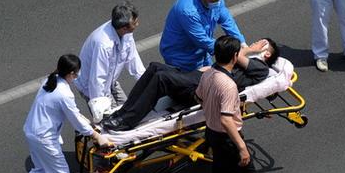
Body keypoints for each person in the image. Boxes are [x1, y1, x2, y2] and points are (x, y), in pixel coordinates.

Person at [6, 54, 111, 173]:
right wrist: (96, 135)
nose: (76, 77)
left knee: (41, 168)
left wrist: (84, 121)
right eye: (76, 74)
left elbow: (72, 114)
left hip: (32, 132)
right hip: (44, 138)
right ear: (70, 73)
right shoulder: (64, 93)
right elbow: (75, 119)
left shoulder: (50, 80)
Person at [103, 39, 280, 131]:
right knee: (155, 67)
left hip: (201, 87)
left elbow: (233, 54)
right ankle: (123, 112)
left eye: (262, 44)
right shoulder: (245, 61)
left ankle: (127, 121)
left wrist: (250, 50)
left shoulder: (261, 68)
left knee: (162, 78)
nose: (256, 43)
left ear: (266, 54)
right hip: (197, 78)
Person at [196, 36, 257, 173]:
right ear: (234, 56)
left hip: (211, 134)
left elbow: (199, 96)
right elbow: (227, 120)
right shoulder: (229, 85)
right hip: (226, 138)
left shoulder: (207, 74)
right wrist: (241, 147)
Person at [75, 2, 145, 122]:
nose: (137, 24)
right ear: (124, 28)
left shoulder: (126, 33)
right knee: (114, 123)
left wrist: (147, 83)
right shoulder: (103, 44)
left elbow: (134, 62)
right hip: (92, 87)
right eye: (135, 23)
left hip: (110, 80)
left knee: (130, 112)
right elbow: (97, 80)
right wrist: (103, 110)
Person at [160, 0, 246, 72]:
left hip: (202, 51)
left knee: (209, 77)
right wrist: (229, 52)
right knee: (193, 84)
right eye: (214, 0)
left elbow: (227, 20)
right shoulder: (188, 12)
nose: (218, 2)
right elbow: (202, 40)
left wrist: (241, 42)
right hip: (182, 57)